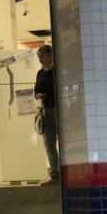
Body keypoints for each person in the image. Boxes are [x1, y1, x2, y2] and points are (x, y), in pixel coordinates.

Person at [35, 45, 60, 186]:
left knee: (63, 142)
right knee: (49, 144)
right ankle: (54, 174)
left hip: (58, 109)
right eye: (39, 57)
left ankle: (64, 172)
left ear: (50, 55)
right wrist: (38, 95)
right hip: (45, 109)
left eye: (42, 56)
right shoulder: (40, 73)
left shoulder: (58, 70)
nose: (40, 60)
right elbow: (36, 90)